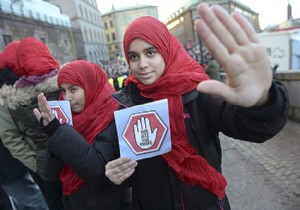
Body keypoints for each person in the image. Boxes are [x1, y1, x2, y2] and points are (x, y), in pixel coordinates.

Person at [104, 3, 289, 210]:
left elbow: (247, 127)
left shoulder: (198, 90)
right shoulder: (125, 105)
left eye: (150, 52)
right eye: (134, 56)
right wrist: (116, 175)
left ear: (166, 50)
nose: (142, 64)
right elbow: (130, 169)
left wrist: (262, 101)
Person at [33, 60, 132, 210]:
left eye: (73, 89)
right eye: (63, 90)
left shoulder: (114, 116)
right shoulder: (64, 117)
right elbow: (49, 174)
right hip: (74, 201)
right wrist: (54, 136)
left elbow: (97, 172)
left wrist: (58, 133)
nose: (67, 98)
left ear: (90, 85)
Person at [0, 37, 64, 210]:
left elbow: (11, 138)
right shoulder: (9, 96)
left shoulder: (12, 96)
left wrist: (37, 165)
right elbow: (10, 137)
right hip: (63, 161)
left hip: (41, 165)